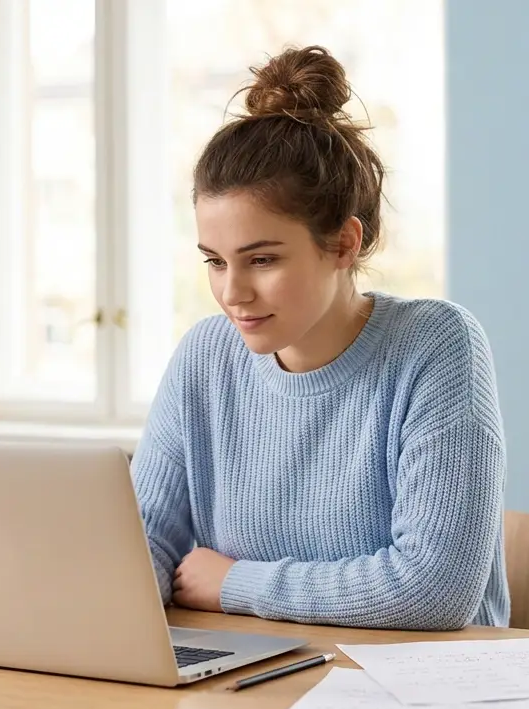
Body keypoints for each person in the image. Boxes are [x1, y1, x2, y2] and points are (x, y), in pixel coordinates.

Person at [131, 45, 508, 631]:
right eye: (215, 261)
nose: (232, 292)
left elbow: (435, 590)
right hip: (254, 673)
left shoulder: (436, 345)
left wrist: (236, 583)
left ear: (343, 244)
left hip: (423, 680)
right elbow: (144, 547)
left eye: (261, 259)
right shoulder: (205, 356)